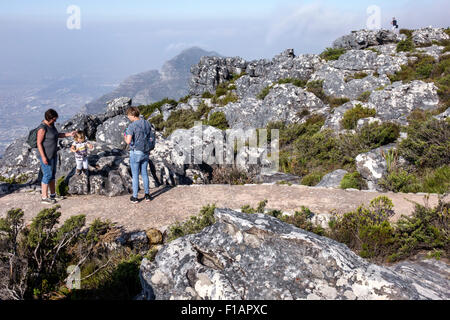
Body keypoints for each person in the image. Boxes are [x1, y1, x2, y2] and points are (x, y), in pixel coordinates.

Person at [36, 109, 76, 204]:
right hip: (46, 156)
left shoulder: (51, 125)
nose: (55, 121)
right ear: (49, 118)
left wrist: (69, 134)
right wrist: (43, 157)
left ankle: (53, 195)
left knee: (52, 175)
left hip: (53, 154)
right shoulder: (42, 128)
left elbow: (56, 135)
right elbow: (39, 143)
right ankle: (44, 198)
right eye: (54, 119)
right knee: (47, 175)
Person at [124, 107, 152, 203]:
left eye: (129, 116)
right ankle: (147, 195)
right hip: (146, 152)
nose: (128, 118)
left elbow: (128, 141)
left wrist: (124, 137)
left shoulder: (132, 126)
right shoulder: (147, 123)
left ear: (132, 115)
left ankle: (135, 197)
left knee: (135, 175)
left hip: (136, 152)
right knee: (144, 173)